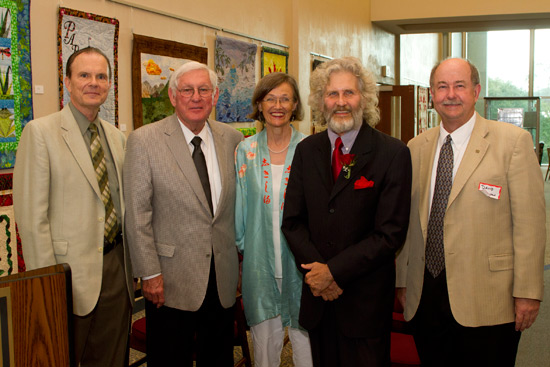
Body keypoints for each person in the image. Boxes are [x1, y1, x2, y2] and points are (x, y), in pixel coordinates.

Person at [396, 58, 546, 366]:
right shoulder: (415, 147)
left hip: (489, 298)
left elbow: (530, 226)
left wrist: (529, 292)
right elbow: (406, 220)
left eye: (459, 86)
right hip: (426, 295)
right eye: (442, 86)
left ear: (476, 91)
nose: (451, 94)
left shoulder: (513, 142)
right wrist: (401, 280)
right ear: (432, 94)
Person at [281, 57, 412, 367]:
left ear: (364, 98)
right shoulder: (306, 150)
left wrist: (333, 273)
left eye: (349, 93)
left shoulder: (393, 153)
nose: (341, 102)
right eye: (332, 94)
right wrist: (318, 277)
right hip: (318, 302)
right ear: (320, 101)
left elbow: (390, 234)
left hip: (364, 305)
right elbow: (292, 222)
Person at [13, 47, 132, 367]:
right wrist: (49, 287)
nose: (93, 82)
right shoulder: (40, 133)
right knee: (60, 358)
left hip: (116, 270)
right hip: (68, 275)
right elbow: (31, 219)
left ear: (109, 84)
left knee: (110, 358)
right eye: (84, 75)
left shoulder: (117, 137)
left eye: (101, 76)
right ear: (67, 82)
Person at [124, 61, 243, 366]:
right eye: (187, 90)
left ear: (215, 97)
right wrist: (149, 274)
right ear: (173, 97)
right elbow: (138, 214)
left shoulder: (232, 139)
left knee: (217, 358)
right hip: (169, 280)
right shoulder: (144, 140)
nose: (196, 97)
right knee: (169, 359)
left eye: (204, 89)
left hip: (222, 278)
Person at [235, 72, 312, 367]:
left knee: (306, 344)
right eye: (270, 98)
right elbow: (240, 209)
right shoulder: (245, 150)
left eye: (285, 98)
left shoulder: (310, 149)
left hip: (302, 263)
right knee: (264, 346)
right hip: (259, 263)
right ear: (260, 104)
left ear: (294, 105)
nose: (277, 105)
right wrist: (245, 251)